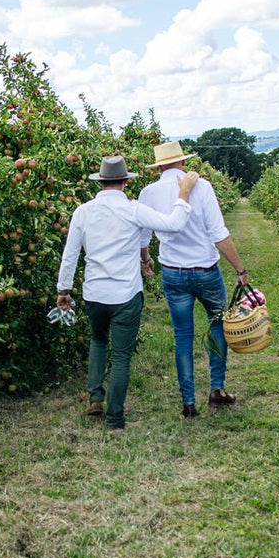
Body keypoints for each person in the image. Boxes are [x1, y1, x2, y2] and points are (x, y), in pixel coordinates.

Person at [57, 155, 200, 431]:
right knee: (121, 356)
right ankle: (115, 418)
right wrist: (183, 194)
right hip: (125, 294)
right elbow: (173, 223)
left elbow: (70, 255)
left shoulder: (83, 212)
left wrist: (64, 289)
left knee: (98, 341)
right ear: (125, 182)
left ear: (100, 182)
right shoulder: (134, 210)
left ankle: (95, 398)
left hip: (94, 293)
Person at [138, 141, 248, 418]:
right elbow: (218, 233)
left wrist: (146, 259)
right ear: (183, 163)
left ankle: (188, 403)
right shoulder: (203, 187)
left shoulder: (148, 193)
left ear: (158, 166)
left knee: (182, 336)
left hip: (173, 273)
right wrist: (240, 269)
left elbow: (143, 235)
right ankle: (216, 390)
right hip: (206, 271)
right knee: (217, 326)